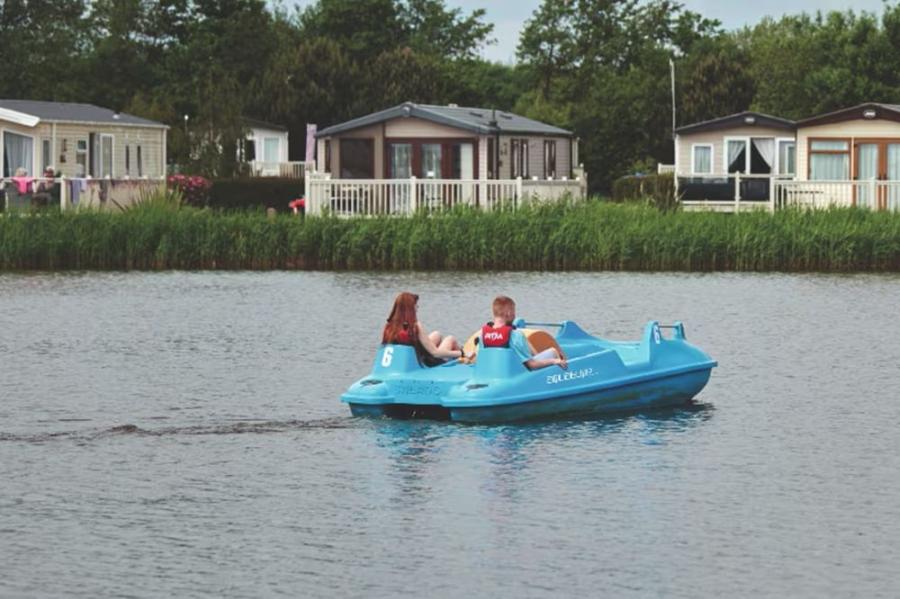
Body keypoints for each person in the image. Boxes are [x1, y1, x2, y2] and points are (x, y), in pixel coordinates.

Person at [474, 295, 567, 370]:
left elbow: (480, 360)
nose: (514, 315)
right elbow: (532, 365)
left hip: (496, 371)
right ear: (508, 313)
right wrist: (554, 361)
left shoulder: (482, 334)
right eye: (513, 312)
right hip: (518, 373)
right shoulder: (515, 335)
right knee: (553, 351)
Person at [382, 292, 462, 366]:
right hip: (424, 361)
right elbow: (435, 353)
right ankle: (465, 360)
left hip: (407, 358)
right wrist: (461, 353)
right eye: (415, 304)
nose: (417, 306)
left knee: (436, 334)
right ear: (410, 308)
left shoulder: (389, 326)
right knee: (450, 339)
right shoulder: (415, 326)